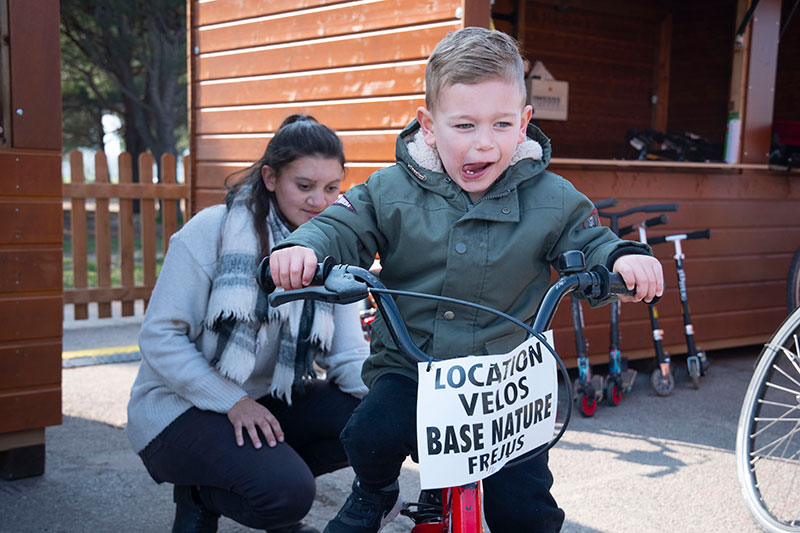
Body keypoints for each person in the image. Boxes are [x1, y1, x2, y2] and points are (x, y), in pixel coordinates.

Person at [269, 28, 664, 533]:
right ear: (428, 127)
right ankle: (375, 491)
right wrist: (302, 249)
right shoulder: (391, 189)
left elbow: (591, 240)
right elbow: (342, 224)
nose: (484, 142)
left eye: (502, 124)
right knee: (370, 431)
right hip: (414, 365)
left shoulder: (552, 197)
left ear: (524, 123)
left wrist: (624, 260)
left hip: (505, 384)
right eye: (464, 125)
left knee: (526, 507)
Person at [126, 114, 370, 533]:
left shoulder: (332, 250)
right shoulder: (211, 232)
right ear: (271, 178)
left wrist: (391, 409)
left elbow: (349, 356)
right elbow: (159, 337)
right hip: (177, 409)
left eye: (332, 188)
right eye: (305, 186)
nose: (320, 202)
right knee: (287, 495)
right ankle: (203, 493)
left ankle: (252, 477)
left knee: (367, 423)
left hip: (263, 398)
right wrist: (232, 401)